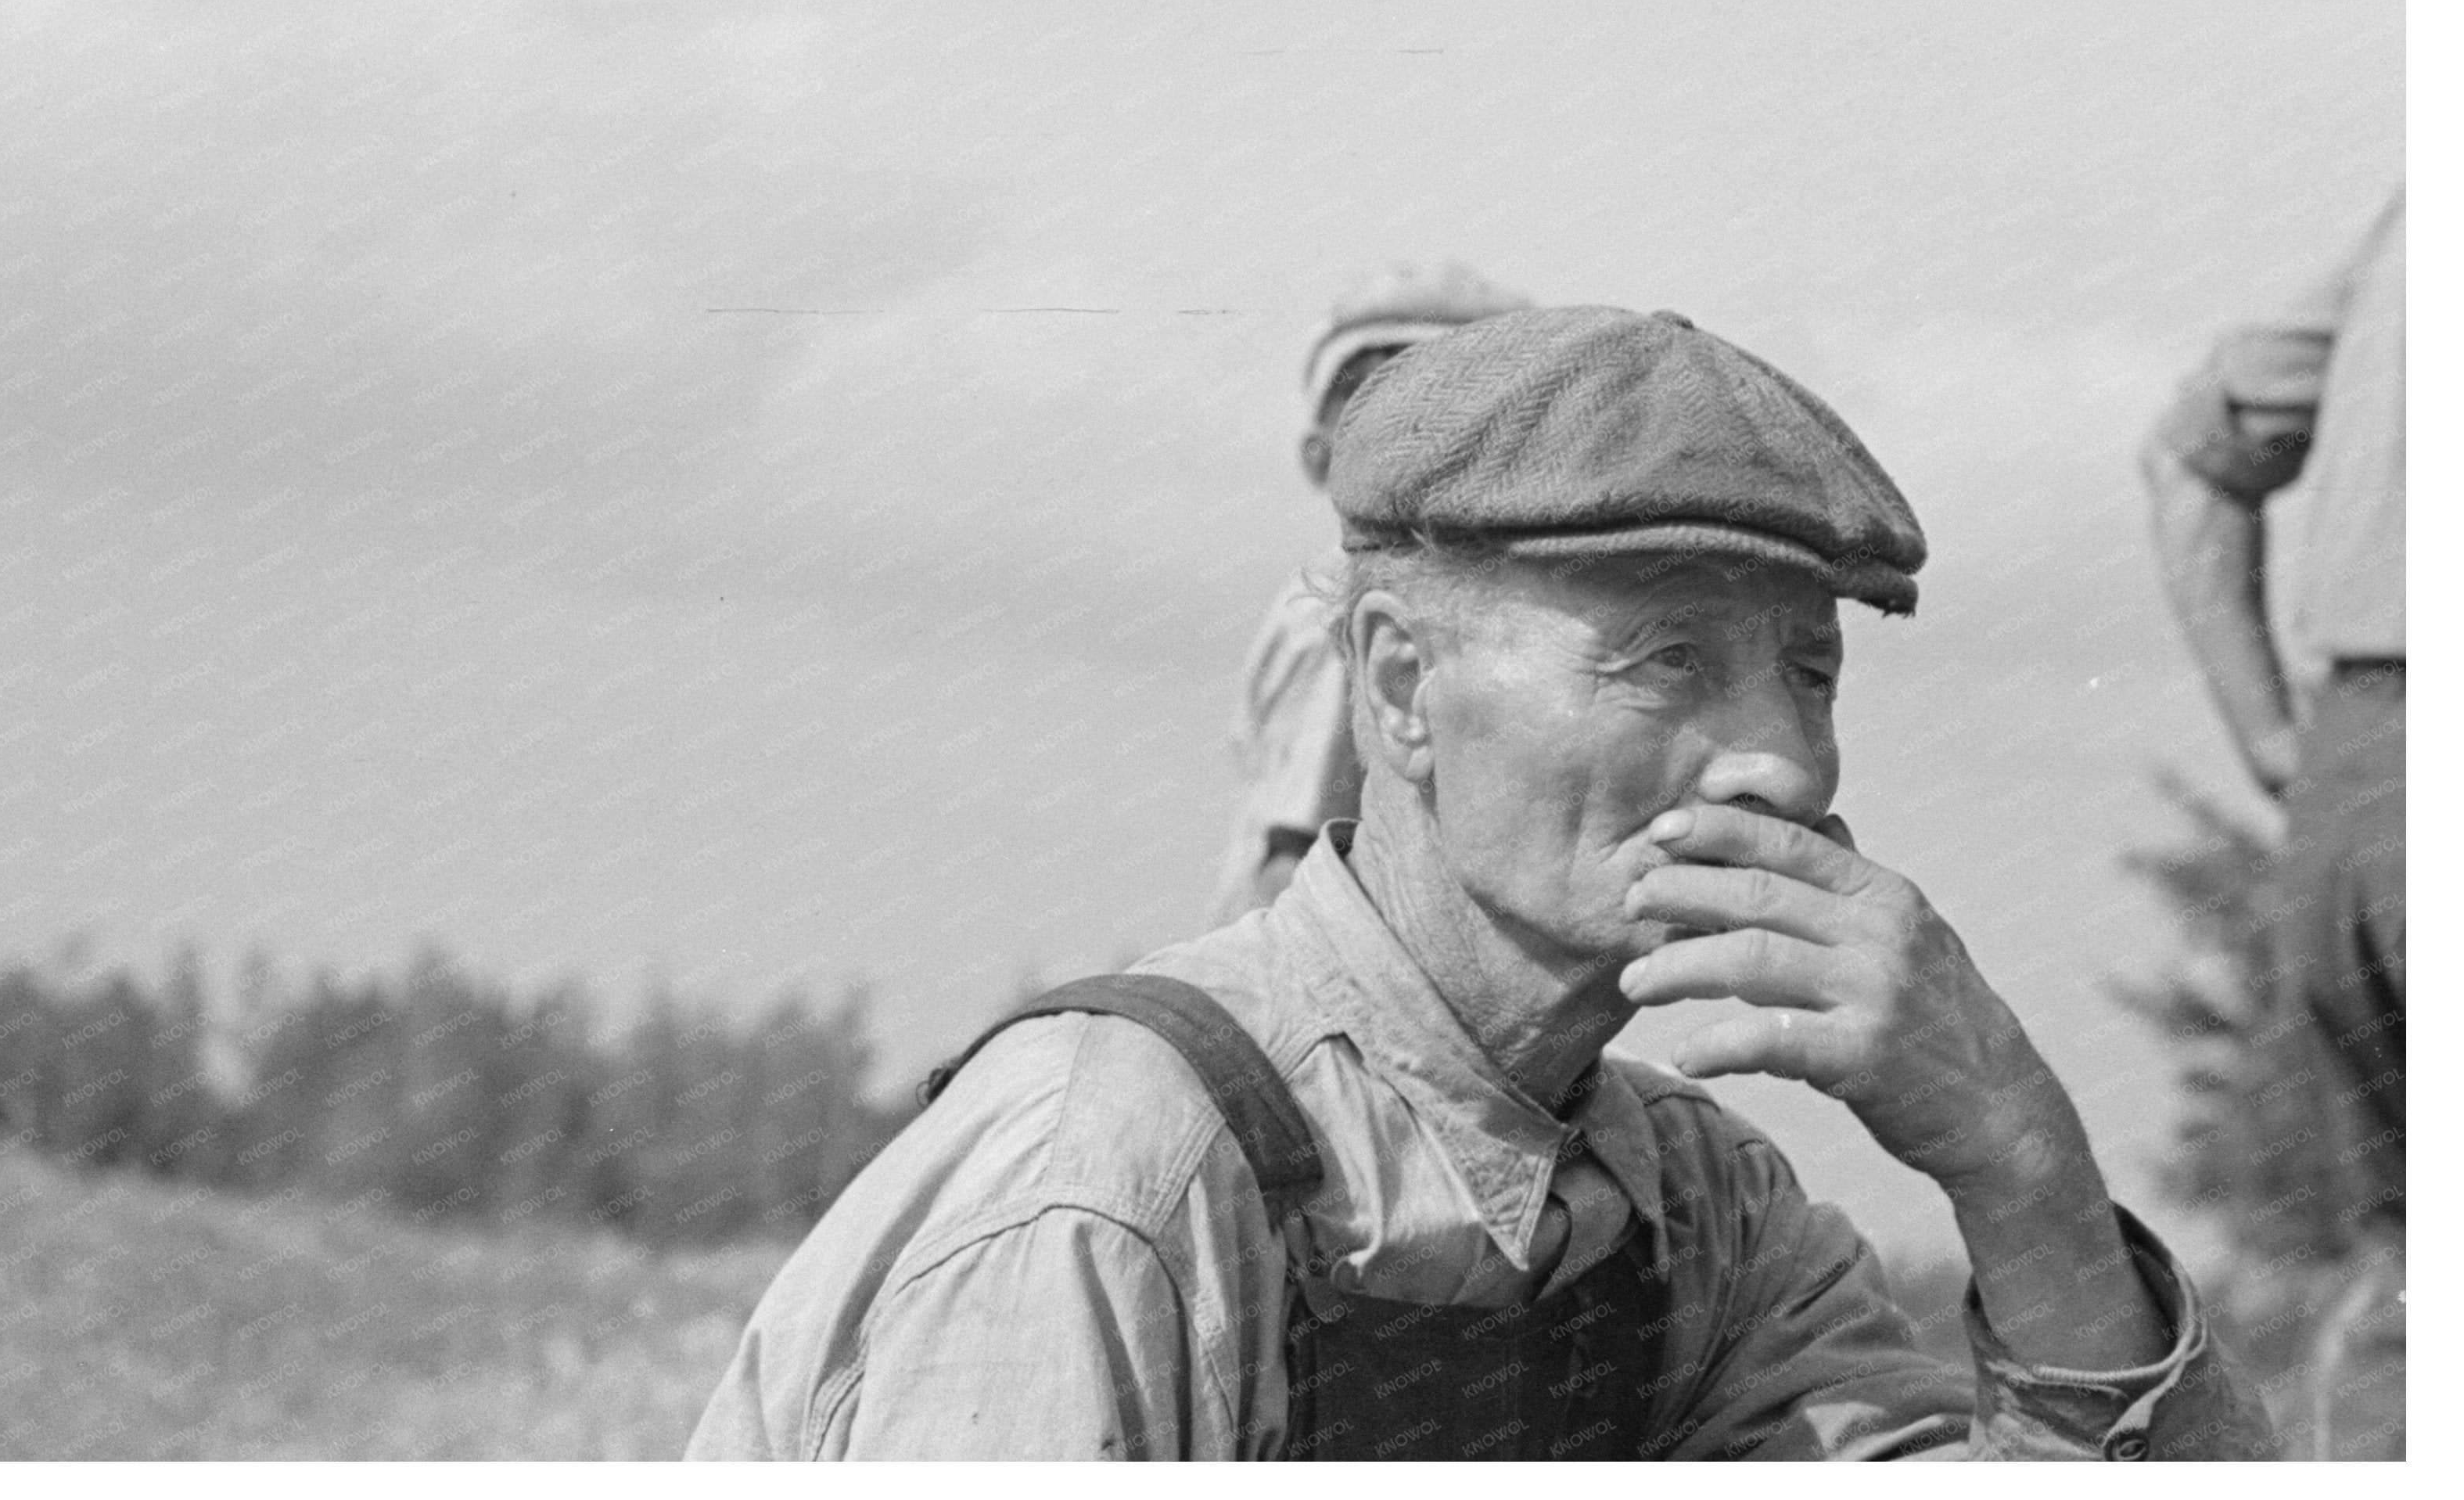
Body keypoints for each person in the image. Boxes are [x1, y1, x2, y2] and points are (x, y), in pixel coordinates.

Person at [691, 306, 2276, 1459]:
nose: (1781, 765)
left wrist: (2021, 1166)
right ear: (1395, 687)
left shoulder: (1690, 1211)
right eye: (1665, 658)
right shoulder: (1119, 1171)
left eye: (1808, 670)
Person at [2139, 188, 2403, 1459]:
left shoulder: (2409, 213)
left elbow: (2188, 460)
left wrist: (2280, 745)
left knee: (2413, 1271)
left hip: (2357, 777)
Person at [1209, 261, 1532, 926]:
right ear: (1319, 453)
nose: (1414, 423)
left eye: (1451, 394)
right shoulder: (1350, 601)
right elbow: (1292, 857)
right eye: (1370, 394)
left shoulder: (1489, 605)